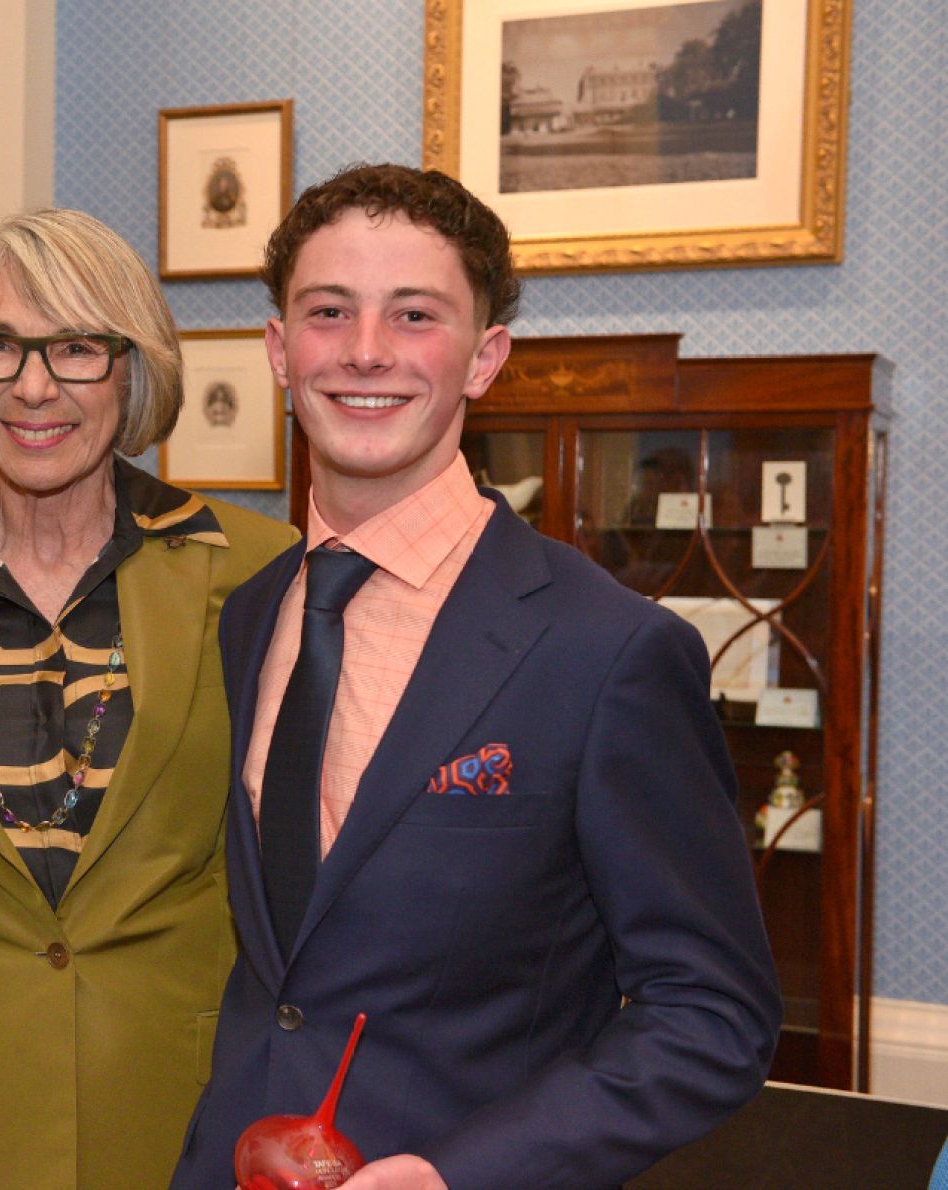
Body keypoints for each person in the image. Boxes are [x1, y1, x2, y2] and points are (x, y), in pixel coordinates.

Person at [168, 165, 781, 1190]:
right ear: (279, 349)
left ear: (484, 357)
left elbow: (711, 1015)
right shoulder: (251, 614)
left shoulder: (608, 650)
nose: (365, 350)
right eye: (328, 312)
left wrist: (463, 1172)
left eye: (414, 314)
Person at [0, 207, 297, 1187]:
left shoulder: (262, 574)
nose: (33, 385)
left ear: (133, 368)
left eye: (78, 347)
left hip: (185, 1104)